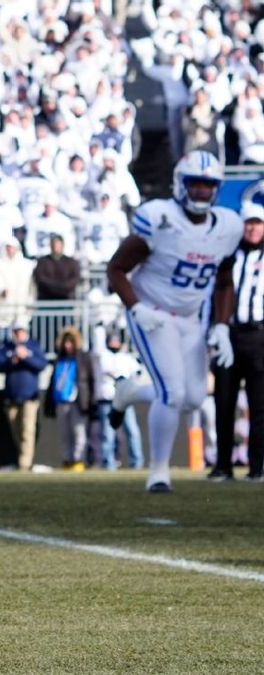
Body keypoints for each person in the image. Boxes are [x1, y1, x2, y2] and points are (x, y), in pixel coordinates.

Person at [108, 150, 243, 493]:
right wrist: (136, 307)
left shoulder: (227, 226)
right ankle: (158, 473)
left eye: (207, 185)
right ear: (180, 185)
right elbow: (116, 268)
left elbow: (225, 281)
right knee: (172, 392)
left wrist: (223, 326)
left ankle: (130, 392)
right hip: (152, 312)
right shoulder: (160, 218)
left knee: (194, 398)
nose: (200, 192)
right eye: (194, 184)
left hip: (190, 317)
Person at [209, 204, 264, 481]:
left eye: (258, 223)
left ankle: (258, 467)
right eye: (249, 223)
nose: (253, 228)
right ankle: (222, 465)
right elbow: (216, 292)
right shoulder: (229, 256)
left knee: (260, 404)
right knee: (224, 402)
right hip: (229, 335)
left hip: (259, 337)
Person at [0, 320, 48, 470]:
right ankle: (21, 458)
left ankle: (24, 463)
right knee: (16, 431)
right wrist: (12, 360)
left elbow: (42, 365)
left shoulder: (34, 345)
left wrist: (26, 357)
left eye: (21, 331)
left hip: (30, 396)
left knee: (27, 430)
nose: (18, 334)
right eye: (16, 331)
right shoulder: (7, 346)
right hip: (11, 396)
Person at [43, 326, 95, 470]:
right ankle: (67, 460)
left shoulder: (83, 358)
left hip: (79, 403)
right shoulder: (59, 359)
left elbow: (90, 380)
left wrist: (91, 402)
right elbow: (52, 382)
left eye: (70, 342)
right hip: (61, 401)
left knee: (79, 432)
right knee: (65, 434)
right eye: (65, 342)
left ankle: (79, 460)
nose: (67, 345)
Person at [92, 326, 144, 470]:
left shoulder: (125, 357)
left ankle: (137, 462)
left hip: (125, 400)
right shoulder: (103, 356)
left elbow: (137, 372)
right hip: (108, 399)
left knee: (132, 431)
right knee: (108, 434)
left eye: (117, 341)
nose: (114, 344)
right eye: (112, 341)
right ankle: (108, 463)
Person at [33, 234, 81, 300]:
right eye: (54, 244)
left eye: (58, 244)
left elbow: (75, 279)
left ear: (62, 245)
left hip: (66, 300)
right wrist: (53, 287)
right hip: (46, 300)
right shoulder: (43, 262)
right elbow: (40, 278)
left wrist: (63, 287)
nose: (55, 246)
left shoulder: (71, 262)